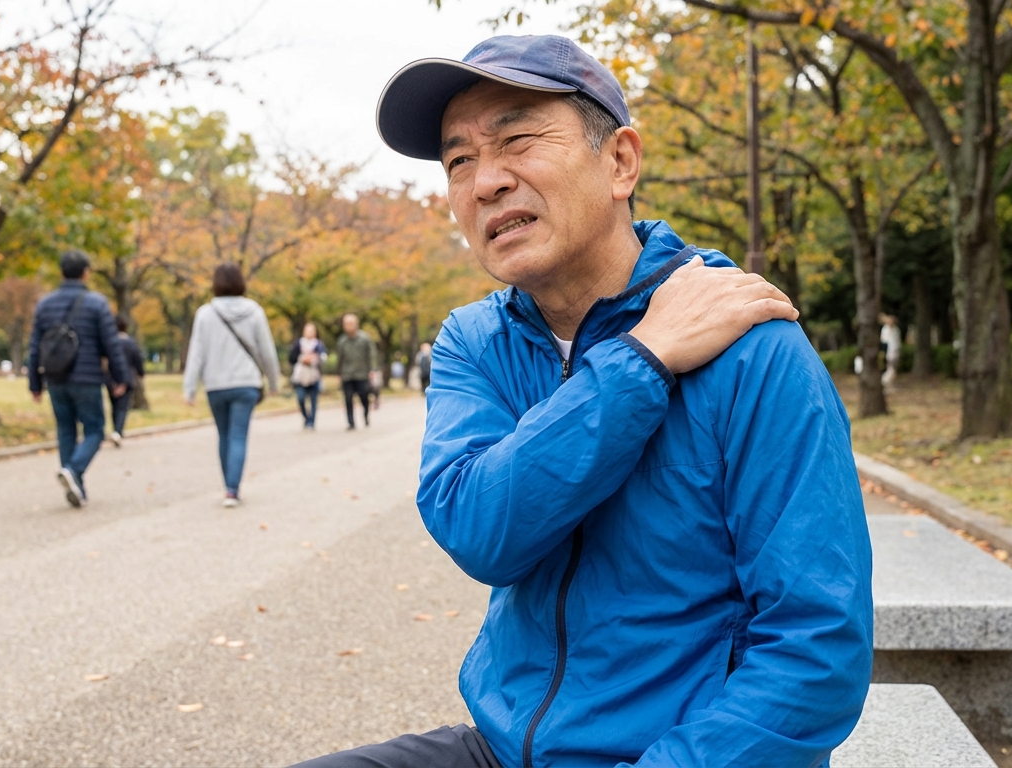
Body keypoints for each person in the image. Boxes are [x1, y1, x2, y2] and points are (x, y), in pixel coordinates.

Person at [293, 35, 872, 768]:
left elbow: (816, 652)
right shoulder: (475, 341)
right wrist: (641, 361)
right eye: (458, 161)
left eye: (517, 141)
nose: (485, 183)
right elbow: (480, 533)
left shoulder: (753, 348)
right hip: (506, 751)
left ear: (620, 161)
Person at [27, 250, 129, 508]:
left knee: (65, 429)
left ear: (61, 273)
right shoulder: (97, 303)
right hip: (87, 377)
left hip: (56, 378)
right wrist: (120, 377)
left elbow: (35, 346)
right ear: (86, 273)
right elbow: (111, 345)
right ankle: (73, 471)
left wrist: (35, 383)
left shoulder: (45, 305)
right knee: (95, 429)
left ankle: (75, 486)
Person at [183, 264, 281, 507]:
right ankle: (232, 490)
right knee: (238, 435)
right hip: (246, 383)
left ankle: (228, 485)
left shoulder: (205, 314)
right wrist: (273, 381)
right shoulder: (254, 311)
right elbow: (267, 351)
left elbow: (196, 353)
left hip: (216, 384)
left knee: (224, 434)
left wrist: (190, 388)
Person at [334, 313, 379, 430]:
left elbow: (372, 354)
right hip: (347, 374)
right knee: (348, 398)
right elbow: (339, 358)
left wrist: (372, 369)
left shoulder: (365, 339)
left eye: (350, 323)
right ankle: (351, 422)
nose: (348, 326)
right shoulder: (342, 341)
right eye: (346, 324)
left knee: (364, 396)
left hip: (362, 374)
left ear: (356, 324)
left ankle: (366, 414)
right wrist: (338, 373)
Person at [108, 315, 146, 447]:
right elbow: (137, 360)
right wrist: (141, 373)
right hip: (127, 378)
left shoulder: (110, 342)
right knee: (122, 408)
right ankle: (118, 431)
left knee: (114, 406)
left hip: (111, 379)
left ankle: (115, 430)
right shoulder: (130, 343)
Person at [288, 322, 326, 430]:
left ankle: (311, 423)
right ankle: (306, 417)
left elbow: (323, 357)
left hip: (314, 376)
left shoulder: (318, 344)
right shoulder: (298, 344)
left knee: (313, 401)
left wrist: (314, 358)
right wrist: (302, 358)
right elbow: (291, 358)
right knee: (301, 398)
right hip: (300, 376)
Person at [879, 312, 902, 391]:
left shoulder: (895, 329)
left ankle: (890, 385)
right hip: (890, 353)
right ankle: (884, 383)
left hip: (895, 351)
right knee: (891, 370)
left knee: (892, 369)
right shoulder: (885, 329)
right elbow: (884, 341)